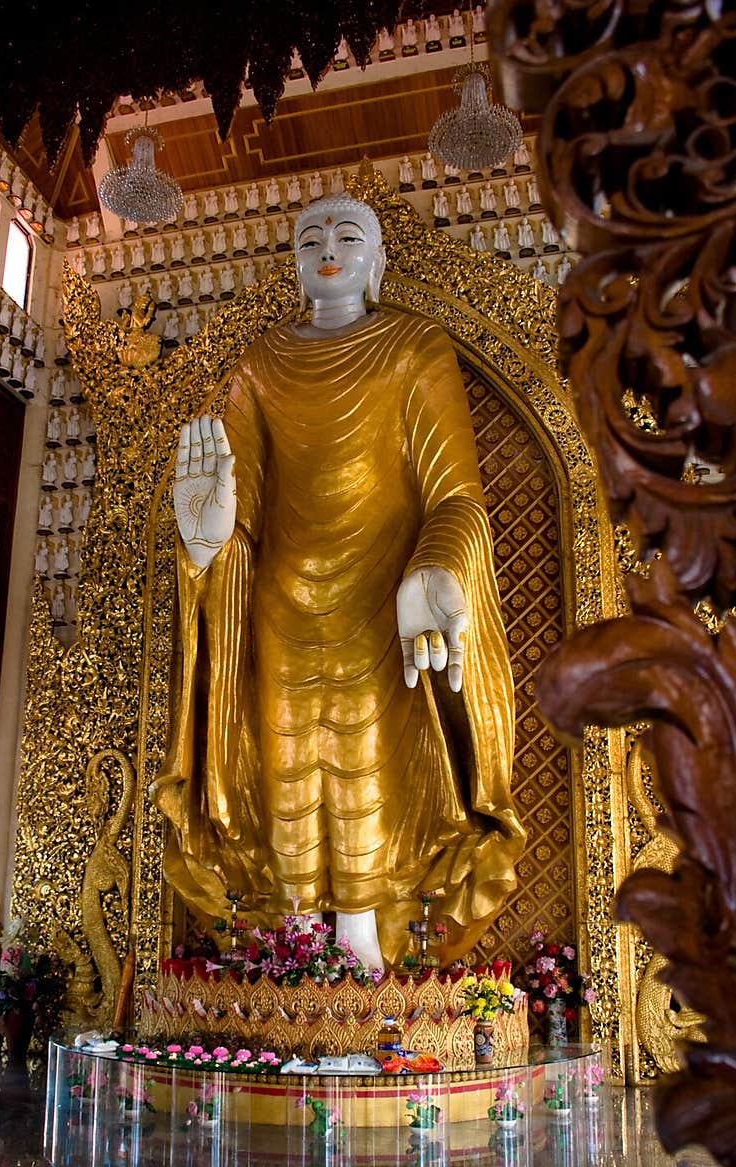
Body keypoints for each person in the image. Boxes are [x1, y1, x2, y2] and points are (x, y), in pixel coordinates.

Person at [155, 194, 524, 973]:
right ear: (293, 264)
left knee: (370, 761)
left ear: (377, 260)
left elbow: (457, 497)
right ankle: (291, 953)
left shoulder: (413, 347)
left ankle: (364, 947)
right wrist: (206, 540)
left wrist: (434, 568)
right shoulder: (260, 363)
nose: (328, 248)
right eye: (309, 238)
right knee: (285, 762)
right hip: (280, 605)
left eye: (348, 235)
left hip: (382, 601)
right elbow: (239, 506)